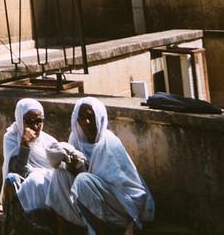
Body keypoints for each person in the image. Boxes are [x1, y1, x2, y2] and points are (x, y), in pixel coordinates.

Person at [53, 100, 153, 234]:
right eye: (82, 118)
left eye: (90, 117)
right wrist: (71, 166)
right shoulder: (76, 138)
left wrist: (133, 221)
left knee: (82, 181)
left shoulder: (109, 143)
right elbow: (77, 175)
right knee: (59, 175)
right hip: (91, 199)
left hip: (120, 205)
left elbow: (133, 189)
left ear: (99, 117)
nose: (86, 122)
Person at [1, 98, 71, 230]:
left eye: (39, 121)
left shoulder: (48, 142)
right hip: (21, 189)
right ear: (21, 120)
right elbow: (17, 171)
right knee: (14, 178)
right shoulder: (11, 138)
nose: (35, 126)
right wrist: (24, 145)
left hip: (45, 190)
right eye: (30, 122)